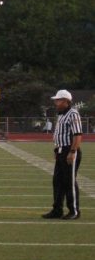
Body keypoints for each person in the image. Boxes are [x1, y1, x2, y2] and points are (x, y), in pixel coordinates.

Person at [42, 89, 82, 220]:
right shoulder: (61, 114)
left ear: (66, 101)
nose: (56, 102)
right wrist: (57, 150)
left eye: (58, 100)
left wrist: (72, 152)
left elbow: (77, 135)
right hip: (61, 151)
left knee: (69, 182)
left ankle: (74, 211)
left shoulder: (73, 114)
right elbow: (60, 135)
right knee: (57, 182)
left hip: (69, 150)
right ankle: (57, 209)